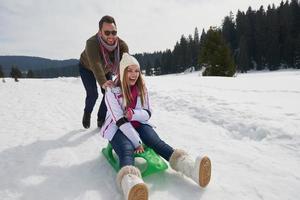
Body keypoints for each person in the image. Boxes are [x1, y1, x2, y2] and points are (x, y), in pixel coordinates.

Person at [100, 53, 212, 200]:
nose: (134, 75)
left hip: (138, 123)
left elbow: (147, 113)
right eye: (129, 70)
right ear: (122, 72)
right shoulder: (112, 92)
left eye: (136, 71)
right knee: (127, 149)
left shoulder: (142, 88)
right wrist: (137, 142)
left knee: (156, 142)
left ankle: (191, 169)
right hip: (117, 128)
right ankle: (131, 185)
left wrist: (133, 114)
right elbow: (120, 121)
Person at [79, 15, 129, 129]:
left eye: (114, 32)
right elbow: (95, 63)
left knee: (109, 93)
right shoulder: (92, 42)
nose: (111, 36)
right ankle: (87, 113)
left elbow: (125, 65)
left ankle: (101, 118)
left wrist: (125, 79)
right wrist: (103, 82)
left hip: (106, 68)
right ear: (100, 32)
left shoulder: (122, 45)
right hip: (87, 67)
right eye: (107, 32)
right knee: (93, 94)